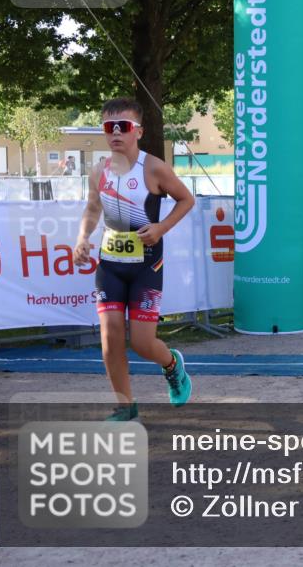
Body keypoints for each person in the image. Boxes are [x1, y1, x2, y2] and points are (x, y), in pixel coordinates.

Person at [73, 98, 194, 421]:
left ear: (137, 131)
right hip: (110, 264)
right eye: (108, 127)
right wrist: (82, 238)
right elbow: (92, 209)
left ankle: (173, 366)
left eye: (122, 127)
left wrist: (161, 227)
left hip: (146, 265)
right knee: (110, 340)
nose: (115, 133)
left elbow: (186, 199)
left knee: (141, 343)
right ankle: (125, 407)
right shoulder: (98, 171)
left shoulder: (152, 167)